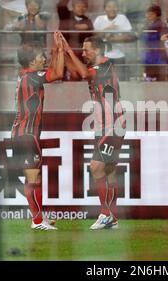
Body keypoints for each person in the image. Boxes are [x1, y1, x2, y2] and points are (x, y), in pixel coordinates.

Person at [61, 35, 126, 230]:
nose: (83, 53)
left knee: (96, 167)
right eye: (82, 49)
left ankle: (105, 214)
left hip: (112, 126)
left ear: (97, 50)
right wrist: (62, 52)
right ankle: (112, 217)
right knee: (109, 171)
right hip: (103, 126)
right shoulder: (96, 69)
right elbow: (75, 71)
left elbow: (82, 73)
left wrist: (69, 51)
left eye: (86, 49)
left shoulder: (104, 68)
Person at [11, 32, 65, 230]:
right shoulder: (32, 77)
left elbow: (54, 71)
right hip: (26, 136)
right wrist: (60, 49)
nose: (44, 58)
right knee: (33, 179)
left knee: (34, 178)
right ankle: (37, 221)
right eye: (41, 55)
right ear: (32, 61)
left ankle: (39, 217)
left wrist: (56, 50)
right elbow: (58, 74)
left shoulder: (27, 76)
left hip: (24, 134)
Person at [93, 0, 135, 80]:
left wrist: (111, 39)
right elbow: (94, 36)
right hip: (104, 57)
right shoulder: (99, 19)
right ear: (104, 8)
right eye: (109, 6)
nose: (112, 9)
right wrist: (108, 29)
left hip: (120, 56)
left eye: (114, 6)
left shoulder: (122, 18)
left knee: (122, 81)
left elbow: (129, 36)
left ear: (118, 7)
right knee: (105, 82)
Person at [57, 0, 94, 80]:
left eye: (84, 6)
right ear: (73, 6)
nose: (81, 8)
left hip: (80, 54)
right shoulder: (65, 15)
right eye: (79, 5)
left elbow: (89, 36)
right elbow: (60, 6)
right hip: (65, 52)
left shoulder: (88, 21)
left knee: (78, 76)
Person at [141, 4, 168, 81]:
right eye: (148, 13)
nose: (148, 15)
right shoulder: (148, 24)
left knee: (156, 77)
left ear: (157, 15)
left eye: (151, 14)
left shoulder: (159, 24)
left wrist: (162, 37)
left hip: (156, 55)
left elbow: (165, 35)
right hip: (150, 55)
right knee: (150, 77)